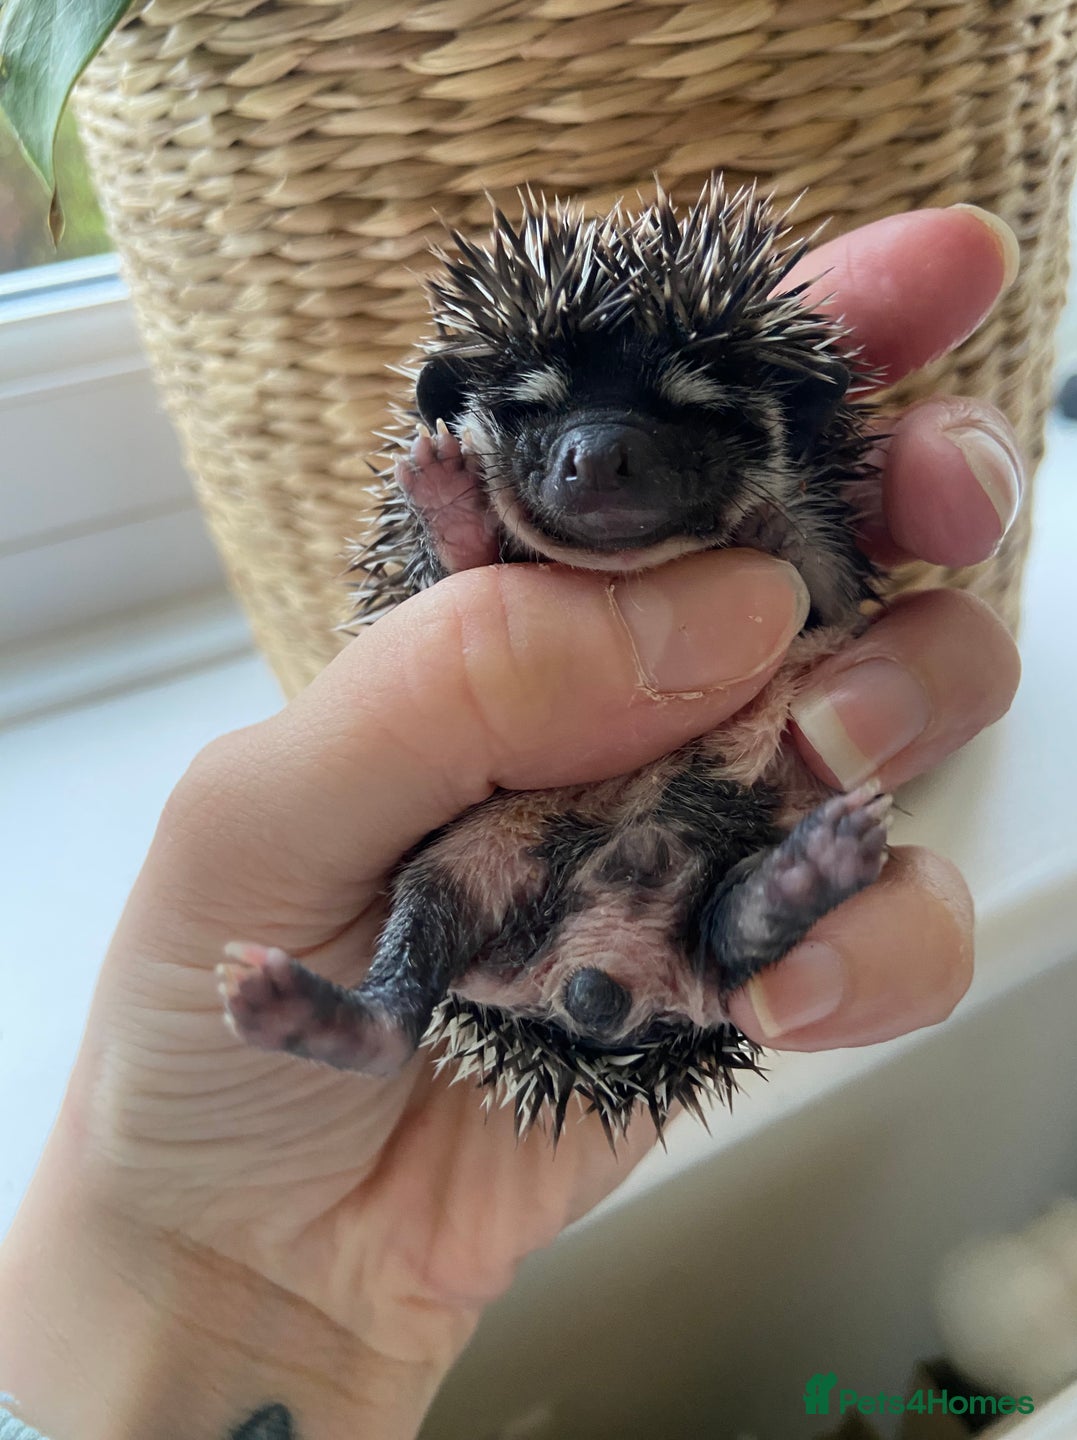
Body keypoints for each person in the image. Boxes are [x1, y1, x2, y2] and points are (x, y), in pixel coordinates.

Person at [0, 205, 1024, 1440]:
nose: (594, 460)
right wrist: (467, 549)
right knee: (458, 876)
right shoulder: (499, 535)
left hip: (648, 866)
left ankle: (736, 919)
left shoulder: (782, 515)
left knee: (698, 851)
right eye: (540, 419)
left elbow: (816, 586)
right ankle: (400, 1007)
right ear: (467, 419)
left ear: (782, 438)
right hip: (539, 860)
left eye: (679, 423)